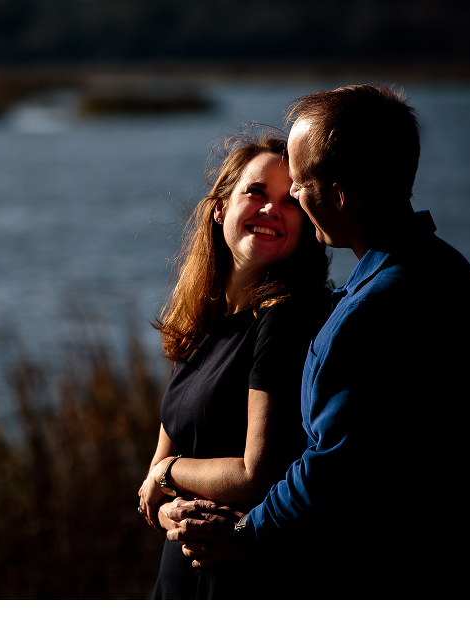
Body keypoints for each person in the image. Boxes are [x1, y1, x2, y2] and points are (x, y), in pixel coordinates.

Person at [165, 85, 470, 598]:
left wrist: (245, 533)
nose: (293, 196)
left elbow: (333, 467)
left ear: (339, 195)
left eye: (299, 184)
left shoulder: (372, 309)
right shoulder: (451, 273)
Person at [138, 126, 331, 599]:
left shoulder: (284, 321)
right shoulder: (201, 319)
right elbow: (156, 481)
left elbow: (254, 475)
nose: (272, 210)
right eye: (257, 192)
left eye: (290, 201)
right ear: (221, 206)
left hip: (242, 578)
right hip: (179, 573)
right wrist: (168, 510)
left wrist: (166, 477)